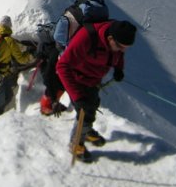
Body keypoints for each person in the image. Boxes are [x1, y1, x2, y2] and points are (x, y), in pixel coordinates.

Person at [56, 20, 137, 162]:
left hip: (93, 80)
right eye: (120, 46)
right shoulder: (86, 38)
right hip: (77, 79)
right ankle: (76, 144)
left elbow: (119, 55)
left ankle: (86, 131)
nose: (123, 50)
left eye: (126, 48)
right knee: (84, 113)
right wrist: (77, 97)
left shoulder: (116, 39)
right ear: (110, 38)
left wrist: (118, 68)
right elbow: (62, 66)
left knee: (92, 106)